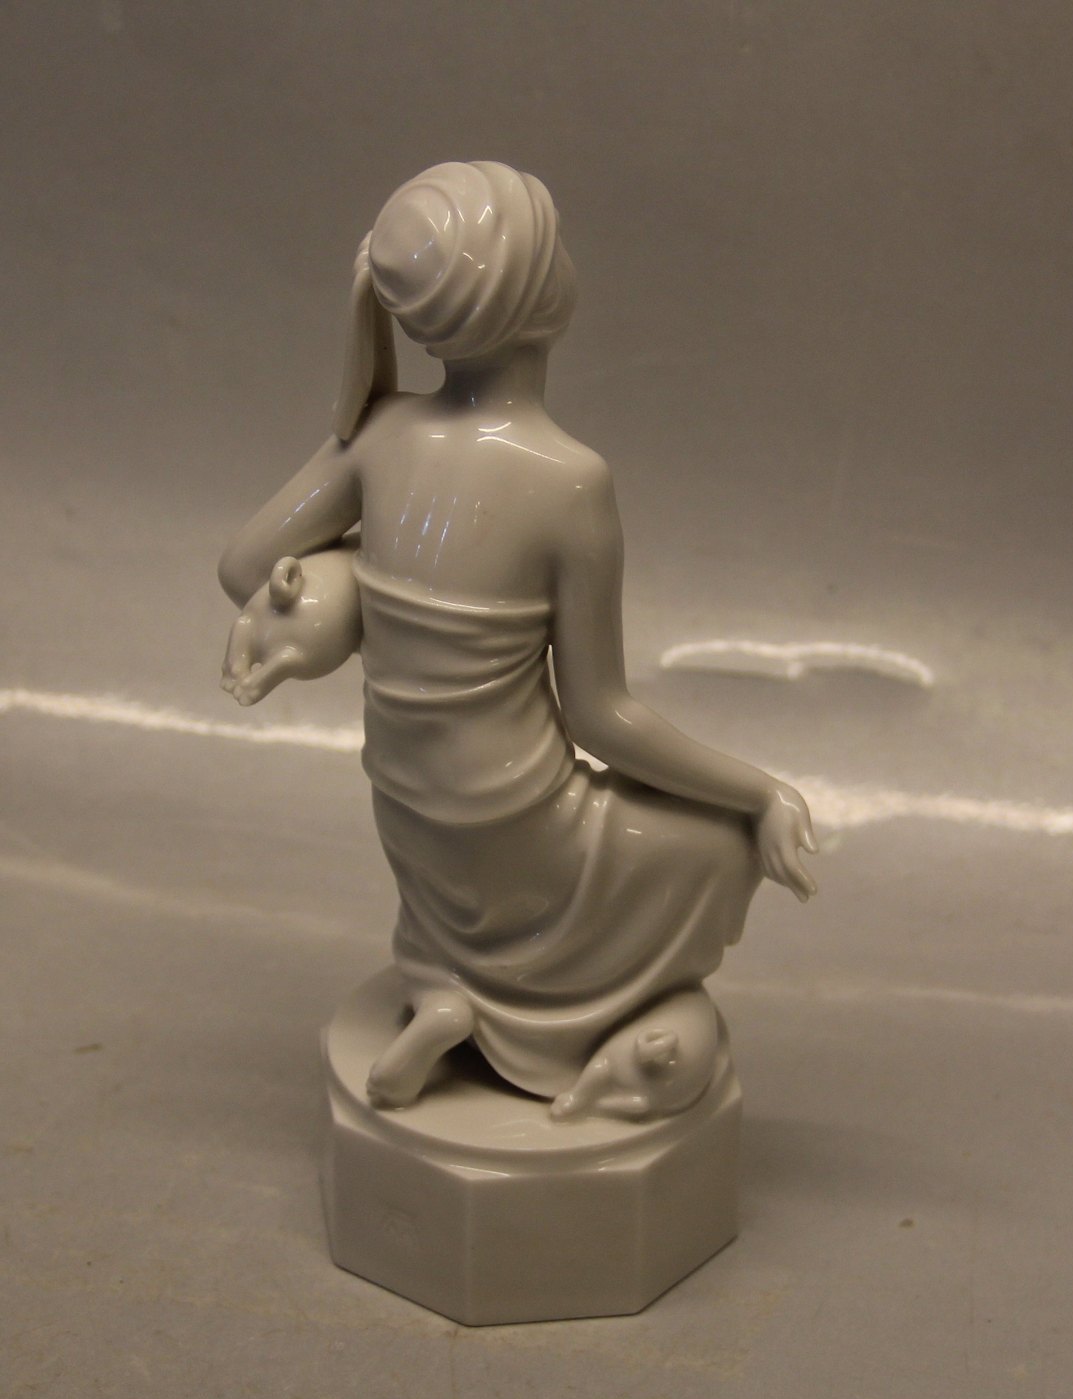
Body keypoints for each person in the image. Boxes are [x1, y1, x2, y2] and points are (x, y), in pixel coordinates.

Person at [219, 161, 817, 1121]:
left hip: (409, 811)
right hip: (512, 817)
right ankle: (533, 1019)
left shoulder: (379, 434)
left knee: (473, 873)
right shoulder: (569, 480)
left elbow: (247, 565)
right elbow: (602, 717)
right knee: (713, 842)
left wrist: (373, 591)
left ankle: (446, 986)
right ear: (539, 294)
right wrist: (760, 792)